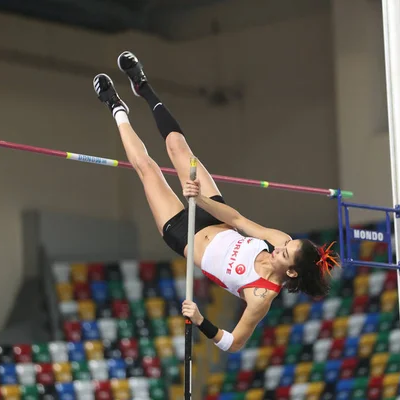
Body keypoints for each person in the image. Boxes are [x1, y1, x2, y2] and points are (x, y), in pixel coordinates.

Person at [92, 51, 340, 353]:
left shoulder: (261, 297)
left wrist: (200, 321)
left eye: (284, 253)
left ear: (290, 272)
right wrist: (201, 201)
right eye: (286, 244)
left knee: (148, 169)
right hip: (216, 217)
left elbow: (234, 344)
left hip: (183, 236)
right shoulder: (279, 238)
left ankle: (116, 107)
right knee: (177, 146)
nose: (280, 246)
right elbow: (238, 221)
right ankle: (142, 85)